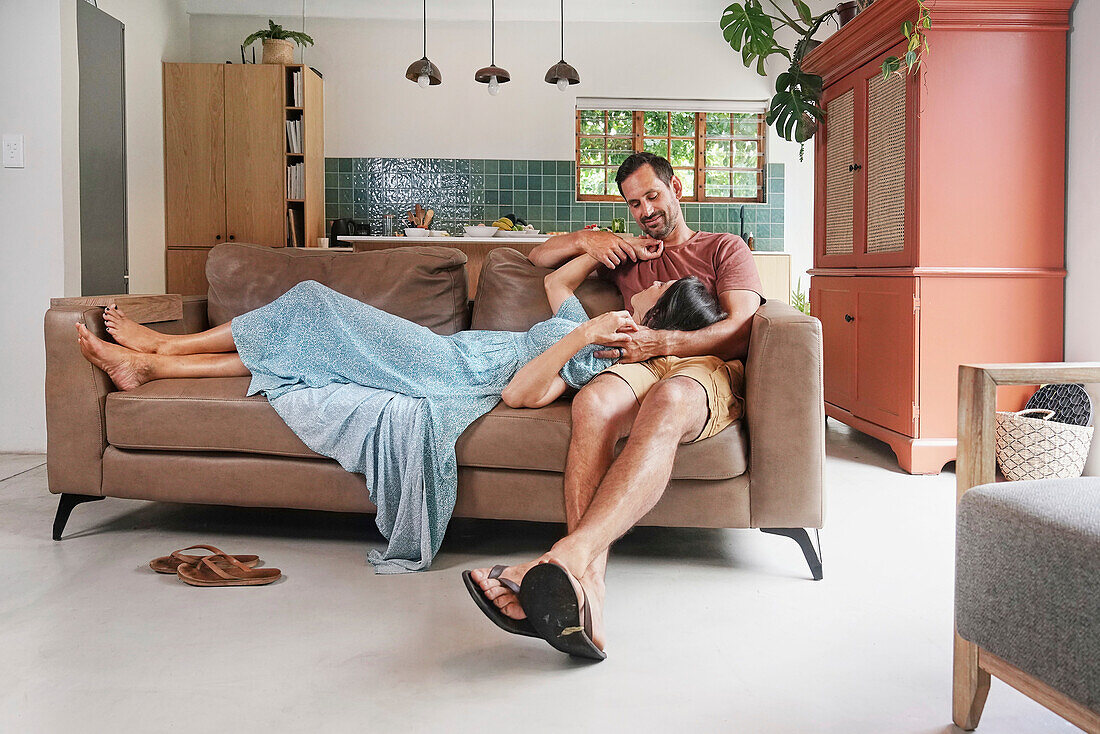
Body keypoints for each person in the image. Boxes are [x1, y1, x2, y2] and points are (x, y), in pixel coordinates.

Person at [76, 250, 726, 573]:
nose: (652, 284)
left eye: (661, 290)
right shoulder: (594, 323)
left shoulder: (595, 359)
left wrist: (579, 340)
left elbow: (522, 394)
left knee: (308, 303)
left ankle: (162, 346)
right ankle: (155, 363)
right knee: (306, 350)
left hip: (440, 371)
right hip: (443, 351)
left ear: (661, 317)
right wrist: (596, 244)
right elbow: (553, 283)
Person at [468, 152, 764, 659]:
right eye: (633, 203)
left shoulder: (722, 247)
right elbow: (541, 261)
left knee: (669, 400)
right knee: (592, 401)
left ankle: (563, 558)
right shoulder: (632, 255)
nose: (646, 209)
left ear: (675, 189)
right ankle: (591, 594)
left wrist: (666, 344)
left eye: (652, 195)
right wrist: (594, 241)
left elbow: (739, 327)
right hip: (639, 358)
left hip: (703, 361)